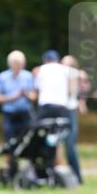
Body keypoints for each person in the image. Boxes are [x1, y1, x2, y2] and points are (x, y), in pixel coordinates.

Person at [0, 50, 35, 179]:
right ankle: (10, 170)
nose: (19, 66)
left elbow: (34, 96)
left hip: (25, 113)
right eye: (16, 63)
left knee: (28, 141)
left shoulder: (28, 76)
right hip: (9, 114)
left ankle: (28, 170)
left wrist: (26, 95)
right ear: (10, 64)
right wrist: (12, 97)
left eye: (21, 63)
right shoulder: (3, 77)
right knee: (9, 142)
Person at [30, 50, 70, 172]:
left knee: (36, 134)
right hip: (61, 108)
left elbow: (36, 90)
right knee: (56, 137)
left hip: (46, 106)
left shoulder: (40, 70)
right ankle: (55, 164)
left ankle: (37, 161)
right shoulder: (64, 70)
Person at [60, 55, 83, 184]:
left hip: (70, 111)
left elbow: (70, 92)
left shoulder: (73, 75)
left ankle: (77, 175)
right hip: (61, 110)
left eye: (67, 65)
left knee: (70, 145)